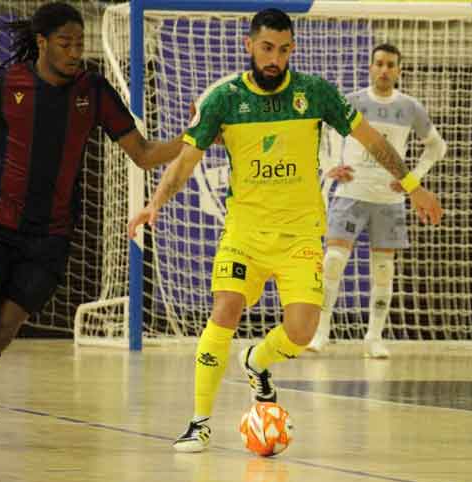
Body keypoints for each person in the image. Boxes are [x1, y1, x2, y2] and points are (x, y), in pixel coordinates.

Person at [127, 8, 443, 453]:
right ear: (249, 46)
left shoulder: (315, 93)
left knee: (300, 331)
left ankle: (256, 361)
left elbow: (373, 141)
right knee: (226, 309)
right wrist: (154, 204)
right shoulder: (225, 100)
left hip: (299, 236)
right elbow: (185, 161)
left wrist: (414, 187)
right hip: (245, 234)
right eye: (266, 48)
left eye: (284, 49)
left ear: (292, 48)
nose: (275, 58)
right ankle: (199, 421)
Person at [0, 2, 182, 445]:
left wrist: (195, 137)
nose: (75, 51)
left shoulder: (94, 90)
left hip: (52, 237)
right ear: (42, 42)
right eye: (65, 43)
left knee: (2, 333)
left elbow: (142, 153)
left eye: (80, 43)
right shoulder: (6, 83)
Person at [306, 43, 446, 358]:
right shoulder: (352, 102)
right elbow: (319, 132)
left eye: (390, 65)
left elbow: (437, 147)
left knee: (384, 268)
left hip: (389, 200)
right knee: (332, 262)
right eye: (379, 63)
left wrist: (414, 178)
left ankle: (373, 338)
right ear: (370, 67)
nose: (384, 70)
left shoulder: (410, 108)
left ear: (399, 70)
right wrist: (329, 167)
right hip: (350, 195)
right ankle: (320, 332)